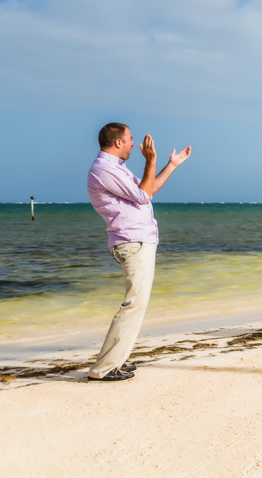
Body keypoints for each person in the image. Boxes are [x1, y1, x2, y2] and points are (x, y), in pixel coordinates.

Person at [86, 123, 192, 381]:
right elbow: (144, 197)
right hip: (132, 242)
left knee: (136, 304)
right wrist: (151, 161)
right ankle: (103, 368)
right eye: (130, 139)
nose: (134, 144)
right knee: (133, 304)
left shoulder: (116, 169)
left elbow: (148, 191)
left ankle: (116, 361)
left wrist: (171, 165)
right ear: (118, 142)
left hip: (139, 240)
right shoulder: (104, 169)